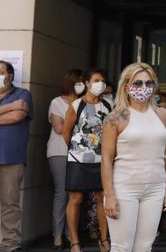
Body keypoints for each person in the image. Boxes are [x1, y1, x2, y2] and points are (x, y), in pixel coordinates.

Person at [100, 62, 166, 252]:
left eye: (149, 84)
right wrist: (109, 195)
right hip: (124, 188)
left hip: (156, 188)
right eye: (138, 83)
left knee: (144, 247)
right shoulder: (115, 118)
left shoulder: (163, 114)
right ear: (126, 86)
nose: (144, 88)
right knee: (121, 247)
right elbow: (106, 159)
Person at [63, 68, 113, 252]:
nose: (101, 83)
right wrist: (79, 149)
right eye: (97, 80)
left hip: (102, 159)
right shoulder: (76, 105)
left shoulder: (108, 106)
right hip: (78, 158)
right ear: (86, 83)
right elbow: (66, 131)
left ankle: (104, 239)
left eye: (103, 80)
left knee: (102, 197)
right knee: (76, 198)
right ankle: (75, 242)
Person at [0, 59, 33, 252]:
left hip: (10, 158)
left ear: (10, 75)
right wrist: (10, 107)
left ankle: (11, 245)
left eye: (0, 72)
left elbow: (18, 117)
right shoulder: (15, 101)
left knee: (10, 204)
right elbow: (13, 112)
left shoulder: (23, 94)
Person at [49, 69, 84, 249]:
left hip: (80, 154)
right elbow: (60, 128)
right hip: (60, 152)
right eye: (79, 81)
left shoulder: (86, 102)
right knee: (62, 193)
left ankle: (71, 235)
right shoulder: (57, 102)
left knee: (76, 194)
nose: (82, 84)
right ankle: (57, 235)